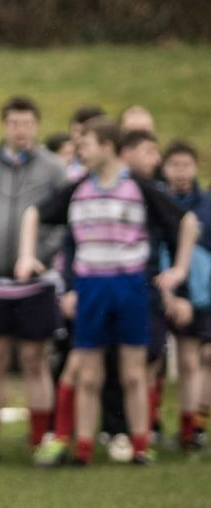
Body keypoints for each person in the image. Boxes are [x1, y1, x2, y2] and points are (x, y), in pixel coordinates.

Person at [17, 119, 197, 466]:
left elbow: (186, 221)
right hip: (91, 285)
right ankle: (83, 449)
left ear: (108, 147)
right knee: (89, 372)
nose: (79, 150)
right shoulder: (79, 187)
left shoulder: (139, 188)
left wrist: (179, 270)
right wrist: (26, 255)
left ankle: (140, 446)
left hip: (130, 285)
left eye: (86, 144)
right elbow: (33, 213)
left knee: (133, 371)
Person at [0, 95, 67, 464]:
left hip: (36, 284)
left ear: (36, 126)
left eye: (27, 123)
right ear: (4, 126)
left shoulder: (54, 169)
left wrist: (39, 255)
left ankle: (40, 441)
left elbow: (66, 221)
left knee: (35, 360)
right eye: (14, 123)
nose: (21, 130)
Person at [160, 140, 211, 452]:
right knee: (174, 360)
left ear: (195, 168)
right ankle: (174, 428)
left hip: (203, 294)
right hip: (170, 291)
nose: (180, 172)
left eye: (186, 165)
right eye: (174, 165)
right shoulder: (159, 201)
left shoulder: (207, 204)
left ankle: (197, 427)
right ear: (165, 169)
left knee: (202, 357)